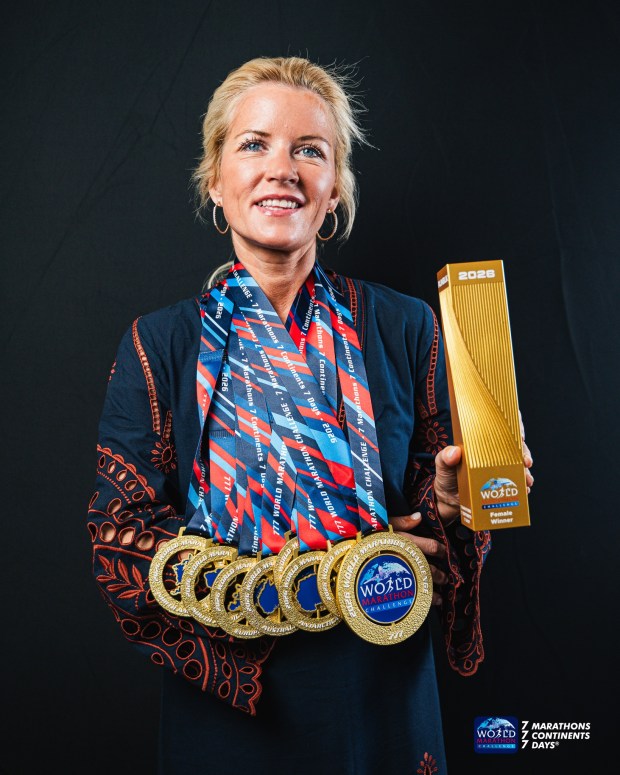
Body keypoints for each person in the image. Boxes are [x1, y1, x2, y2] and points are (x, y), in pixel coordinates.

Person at [87, 56, 534, 774]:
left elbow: (438, 521)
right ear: (215, 180)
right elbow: (121, 535)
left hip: (379, 679)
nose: (281, 169)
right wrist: (300, 584)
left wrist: (456, 506)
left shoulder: (403, 325)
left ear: (334, 192)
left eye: (310, 151)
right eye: (254, 143)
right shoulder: (160, 343)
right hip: (230, 698)